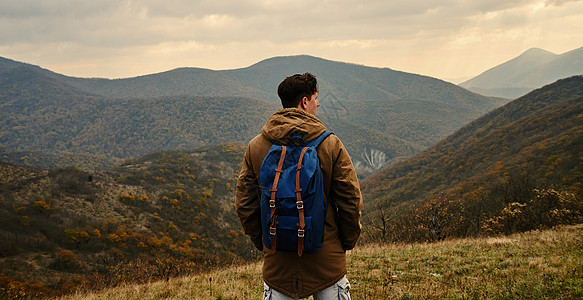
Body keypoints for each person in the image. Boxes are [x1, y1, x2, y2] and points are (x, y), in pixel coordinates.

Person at [235, 72, 363, 299]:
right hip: (327, 264)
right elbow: (350, 199)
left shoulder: (256, 147)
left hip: (278, 266)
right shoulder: (330, 144)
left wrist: (266, 242)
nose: (318, 102)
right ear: (304, 102)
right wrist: (344, 242)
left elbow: (245, 205)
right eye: (315, 97)